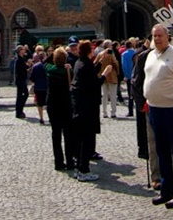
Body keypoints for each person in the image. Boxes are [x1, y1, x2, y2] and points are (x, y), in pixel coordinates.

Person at [144, 23, 173, 208]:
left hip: (172, 109)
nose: (157, 39)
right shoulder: (150, 55)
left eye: (160, 36)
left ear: (168, 36)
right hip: (154, 109)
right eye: (154, 36)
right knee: (161, 151)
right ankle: (166, 190)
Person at [132, 38, 162, 191]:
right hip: (151, 106)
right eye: (155, 36)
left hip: (170, 105)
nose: (159, 40)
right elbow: (136, 82)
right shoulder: (144, 57)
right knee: (154, 143)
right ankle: (156, 176)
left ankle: (170, 174)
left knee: (171, 143)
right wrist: (141, 103)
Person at [71, 39, 102, 181]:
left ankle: (79, 168)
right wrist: (105, 74)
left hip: (79, 107)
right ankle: (84, 170)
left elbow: (87, 76)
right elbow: (94, 84)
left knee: (80, 139)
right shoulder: (86, 64)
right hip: (87, 108)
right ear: (89, 50)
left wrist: (98, 64)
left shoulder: (79, 63)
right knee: (86, 140)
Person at [45, 46, 76, 171]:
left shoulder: (49, 70)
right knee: (68, 134)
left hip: (53, 104)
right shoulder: (69, 71)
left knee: (56, 134)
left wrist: (53, 53)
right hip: (66, 104)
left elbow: (45, 62)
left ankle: (58, 162)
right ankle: (70, 161)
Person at [96, 39, 119, 119]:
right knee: (113, 95)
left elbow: (95, 63)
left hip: (102, 76)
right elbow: (115, 64)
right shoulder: (111, 54)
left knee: (104, 95)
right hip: (112, 76)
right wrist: (118, 73)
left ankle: (104, 112)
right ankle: (113, 112)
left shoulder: (100, 54)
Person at [29, 52, 48, 124]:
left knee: (40, 104)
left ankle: (41, 118)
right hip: (46, 87)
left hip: (38, 87)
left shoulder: (35, 66)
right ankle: (50, 117)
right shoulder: (48, 66)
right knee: (48, 103)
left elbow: (32, 78)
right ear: (45, 57)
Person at [121, 37, 137, 116]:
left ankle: (130, 111)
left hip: (129, 76)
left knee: (130, 95)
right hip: (136, 76)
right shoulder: (136, 52)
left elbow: (124, 66)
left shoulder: (124, 54)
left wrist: (126, 75)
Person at [14, 45, 30, 119]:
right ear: (20, 51)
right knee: (21, 96)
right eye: (23, 49)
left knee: (24, 94)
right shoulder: (19, 60)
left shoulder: (21, 59)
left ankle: (20, 109)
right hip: (20, 80)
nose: (24, 51)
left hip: (22, 79)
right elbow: (20, 70)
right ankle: (19, 111)